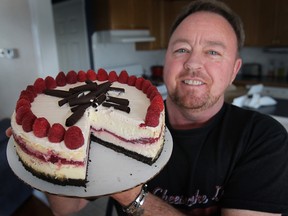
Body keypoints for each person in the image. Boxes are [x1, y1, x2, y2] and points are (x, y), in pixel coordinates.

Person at [6, 0, 288, 215]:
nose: (192, 63)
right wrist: (42, 163)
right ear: (166, 58)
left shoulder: (263, 139)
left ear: (235, 69)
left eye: (213, 51)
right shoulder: (120, 121)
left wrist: (132, 195)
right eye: (181, 49)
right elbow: (65, 208)